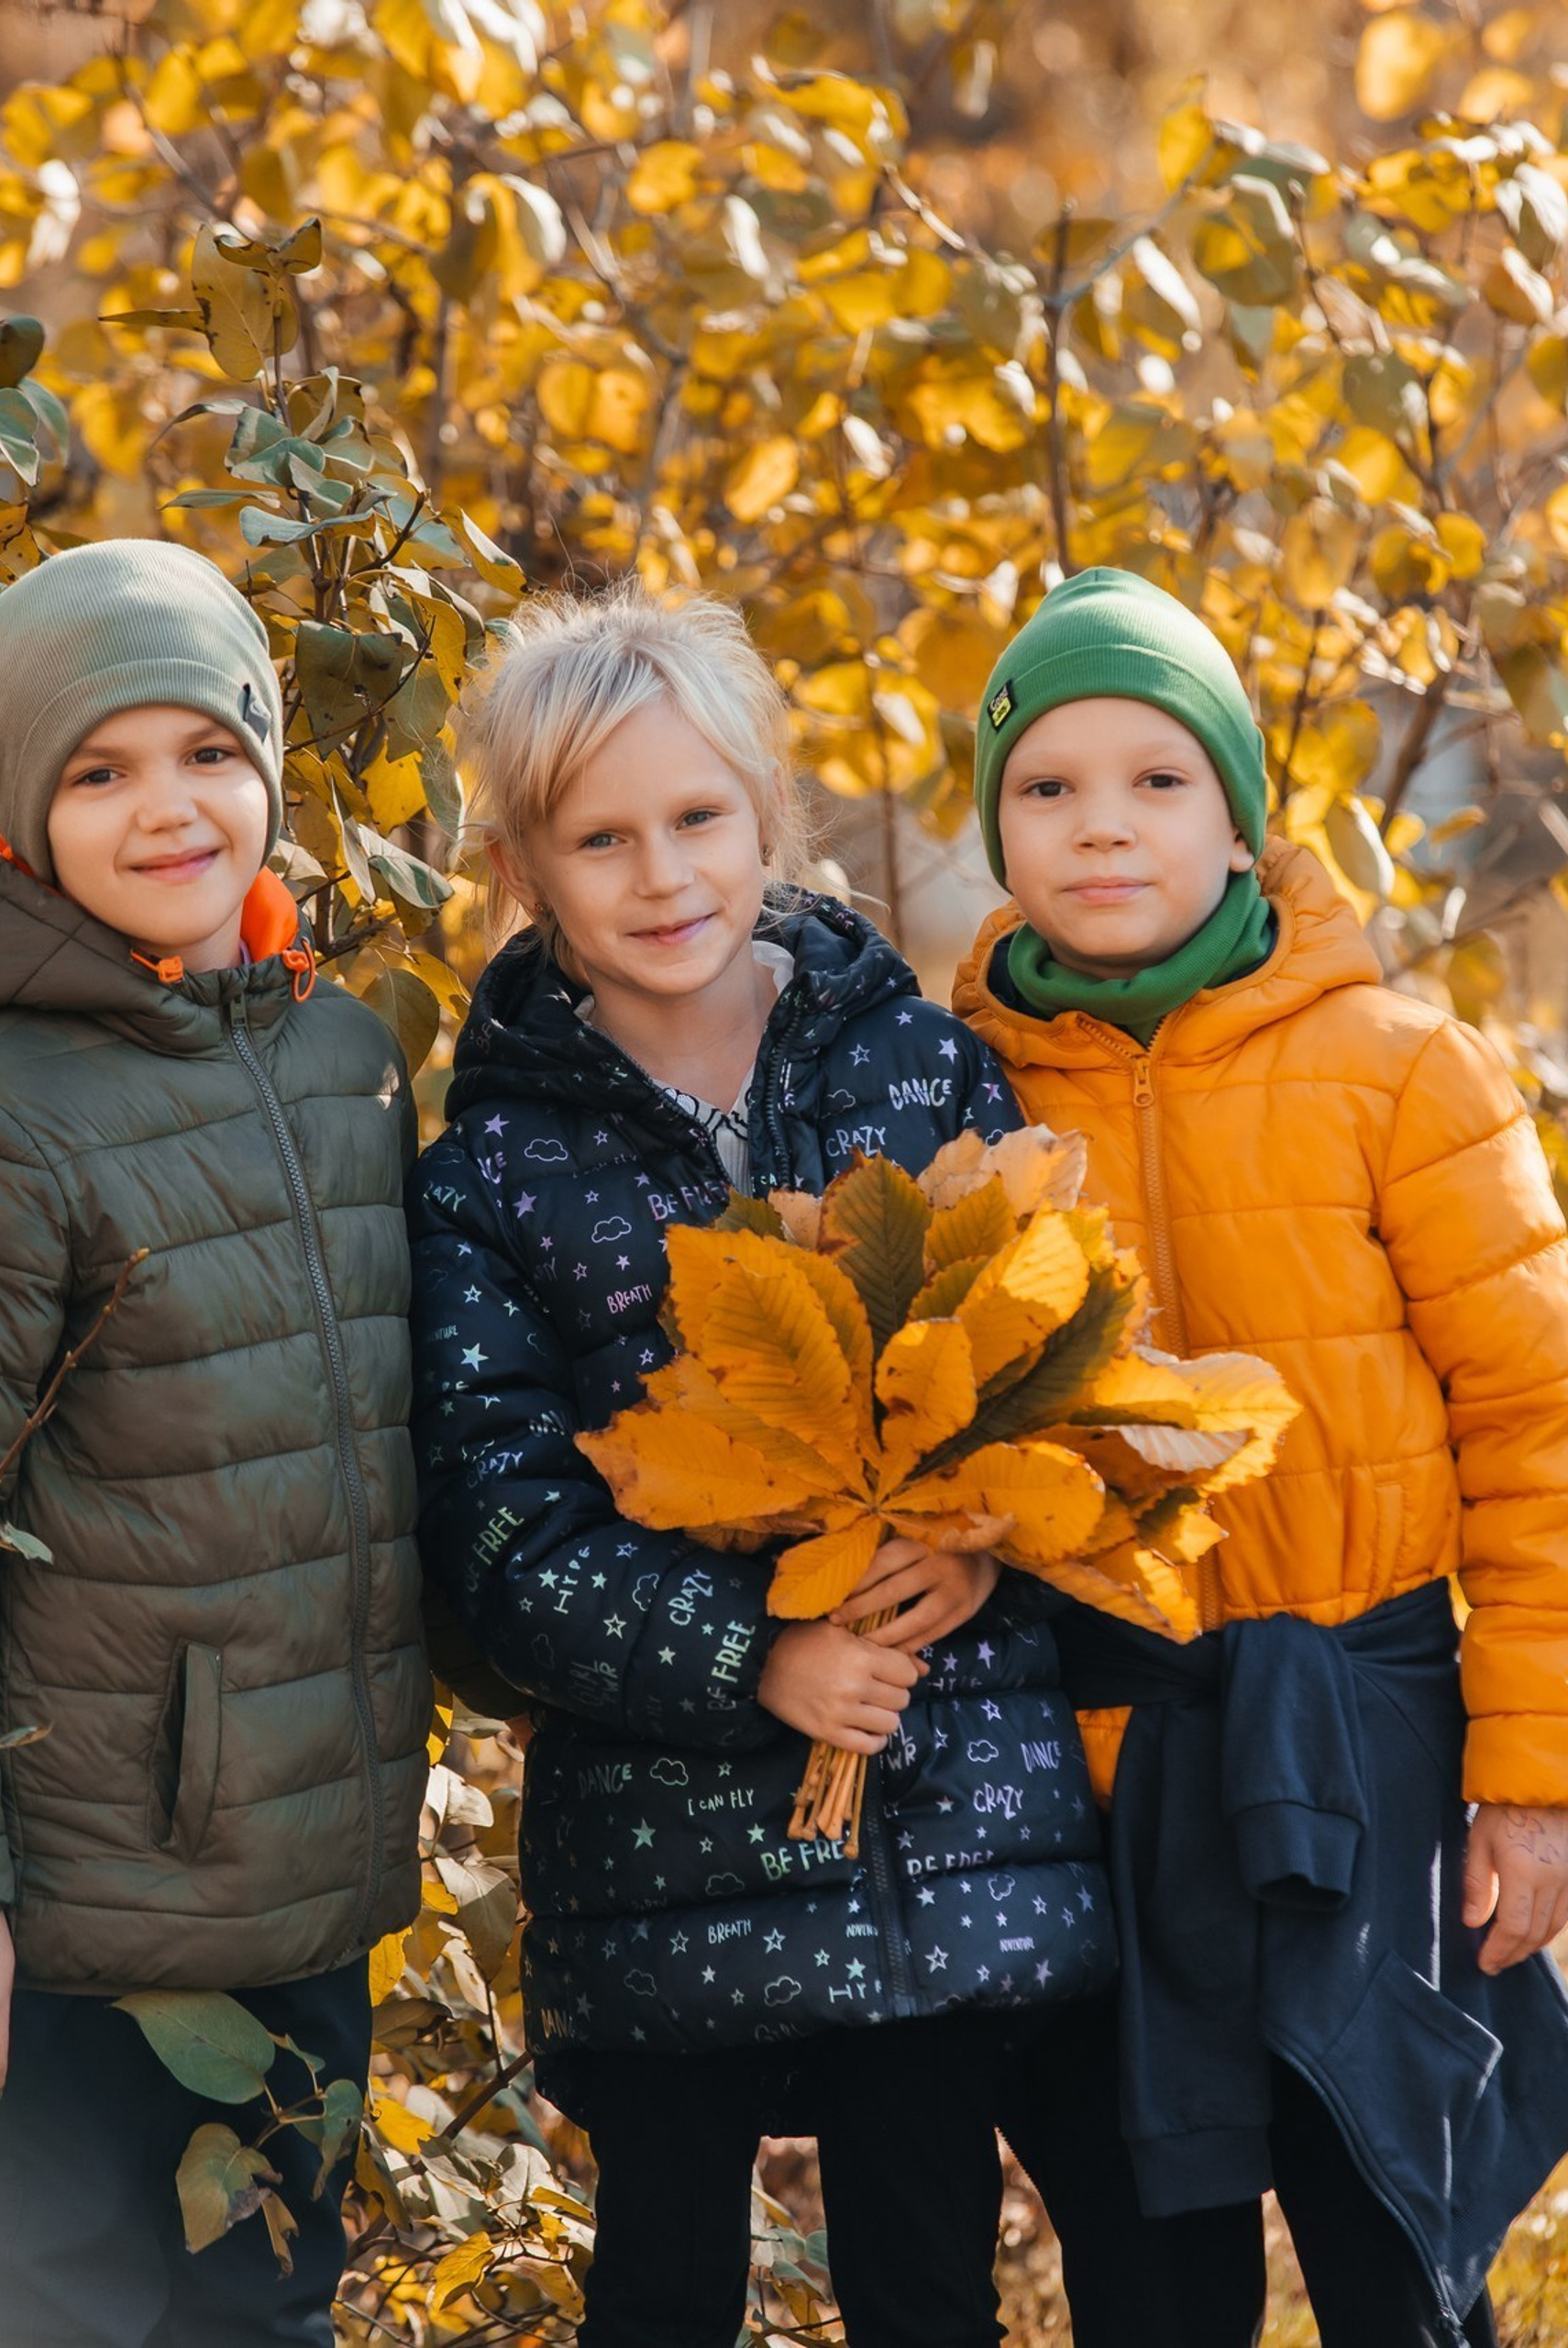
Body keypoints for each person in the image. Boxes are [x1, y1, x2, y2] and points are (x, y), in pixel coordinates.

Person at [406, 582, 1112, 2348]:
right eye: (604, 839)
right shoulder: (491, 1171)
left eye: (700, 819)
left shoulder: (920, 1065)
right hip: (665, 1842)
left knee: (928, 2271)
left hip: (932, 1816)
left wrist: (973, 1546)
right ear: (524, 870)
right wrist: (757, 1659)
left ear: (770, 819)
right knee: (662, 2287)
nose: (664, 877)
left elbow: (1035, 1359)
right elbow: (506, 1533)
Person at [951, 566, 1568, 2348]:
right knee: (1144, 2264)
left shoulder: (1402, 1075)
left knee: (1389, 2239)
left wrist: (1538, 1775)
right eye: (1048, 785)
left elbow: (1540, 1432)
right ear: (996, 829)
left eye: (1157, 779)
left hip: (1366, 1736)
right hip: (1090, 1761)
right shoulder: (945, 1091)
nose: (1102, 824)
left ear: (1244, 822)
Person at [0, 539, 431, 2347]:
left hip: (299, 1871)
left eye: (207, 751)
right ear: (19, 808)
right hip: (77, 1905)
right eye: (100, 769)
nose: (168, 805)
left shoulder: (336, 1058)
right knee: (67, 2305)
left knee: (268, 2302)